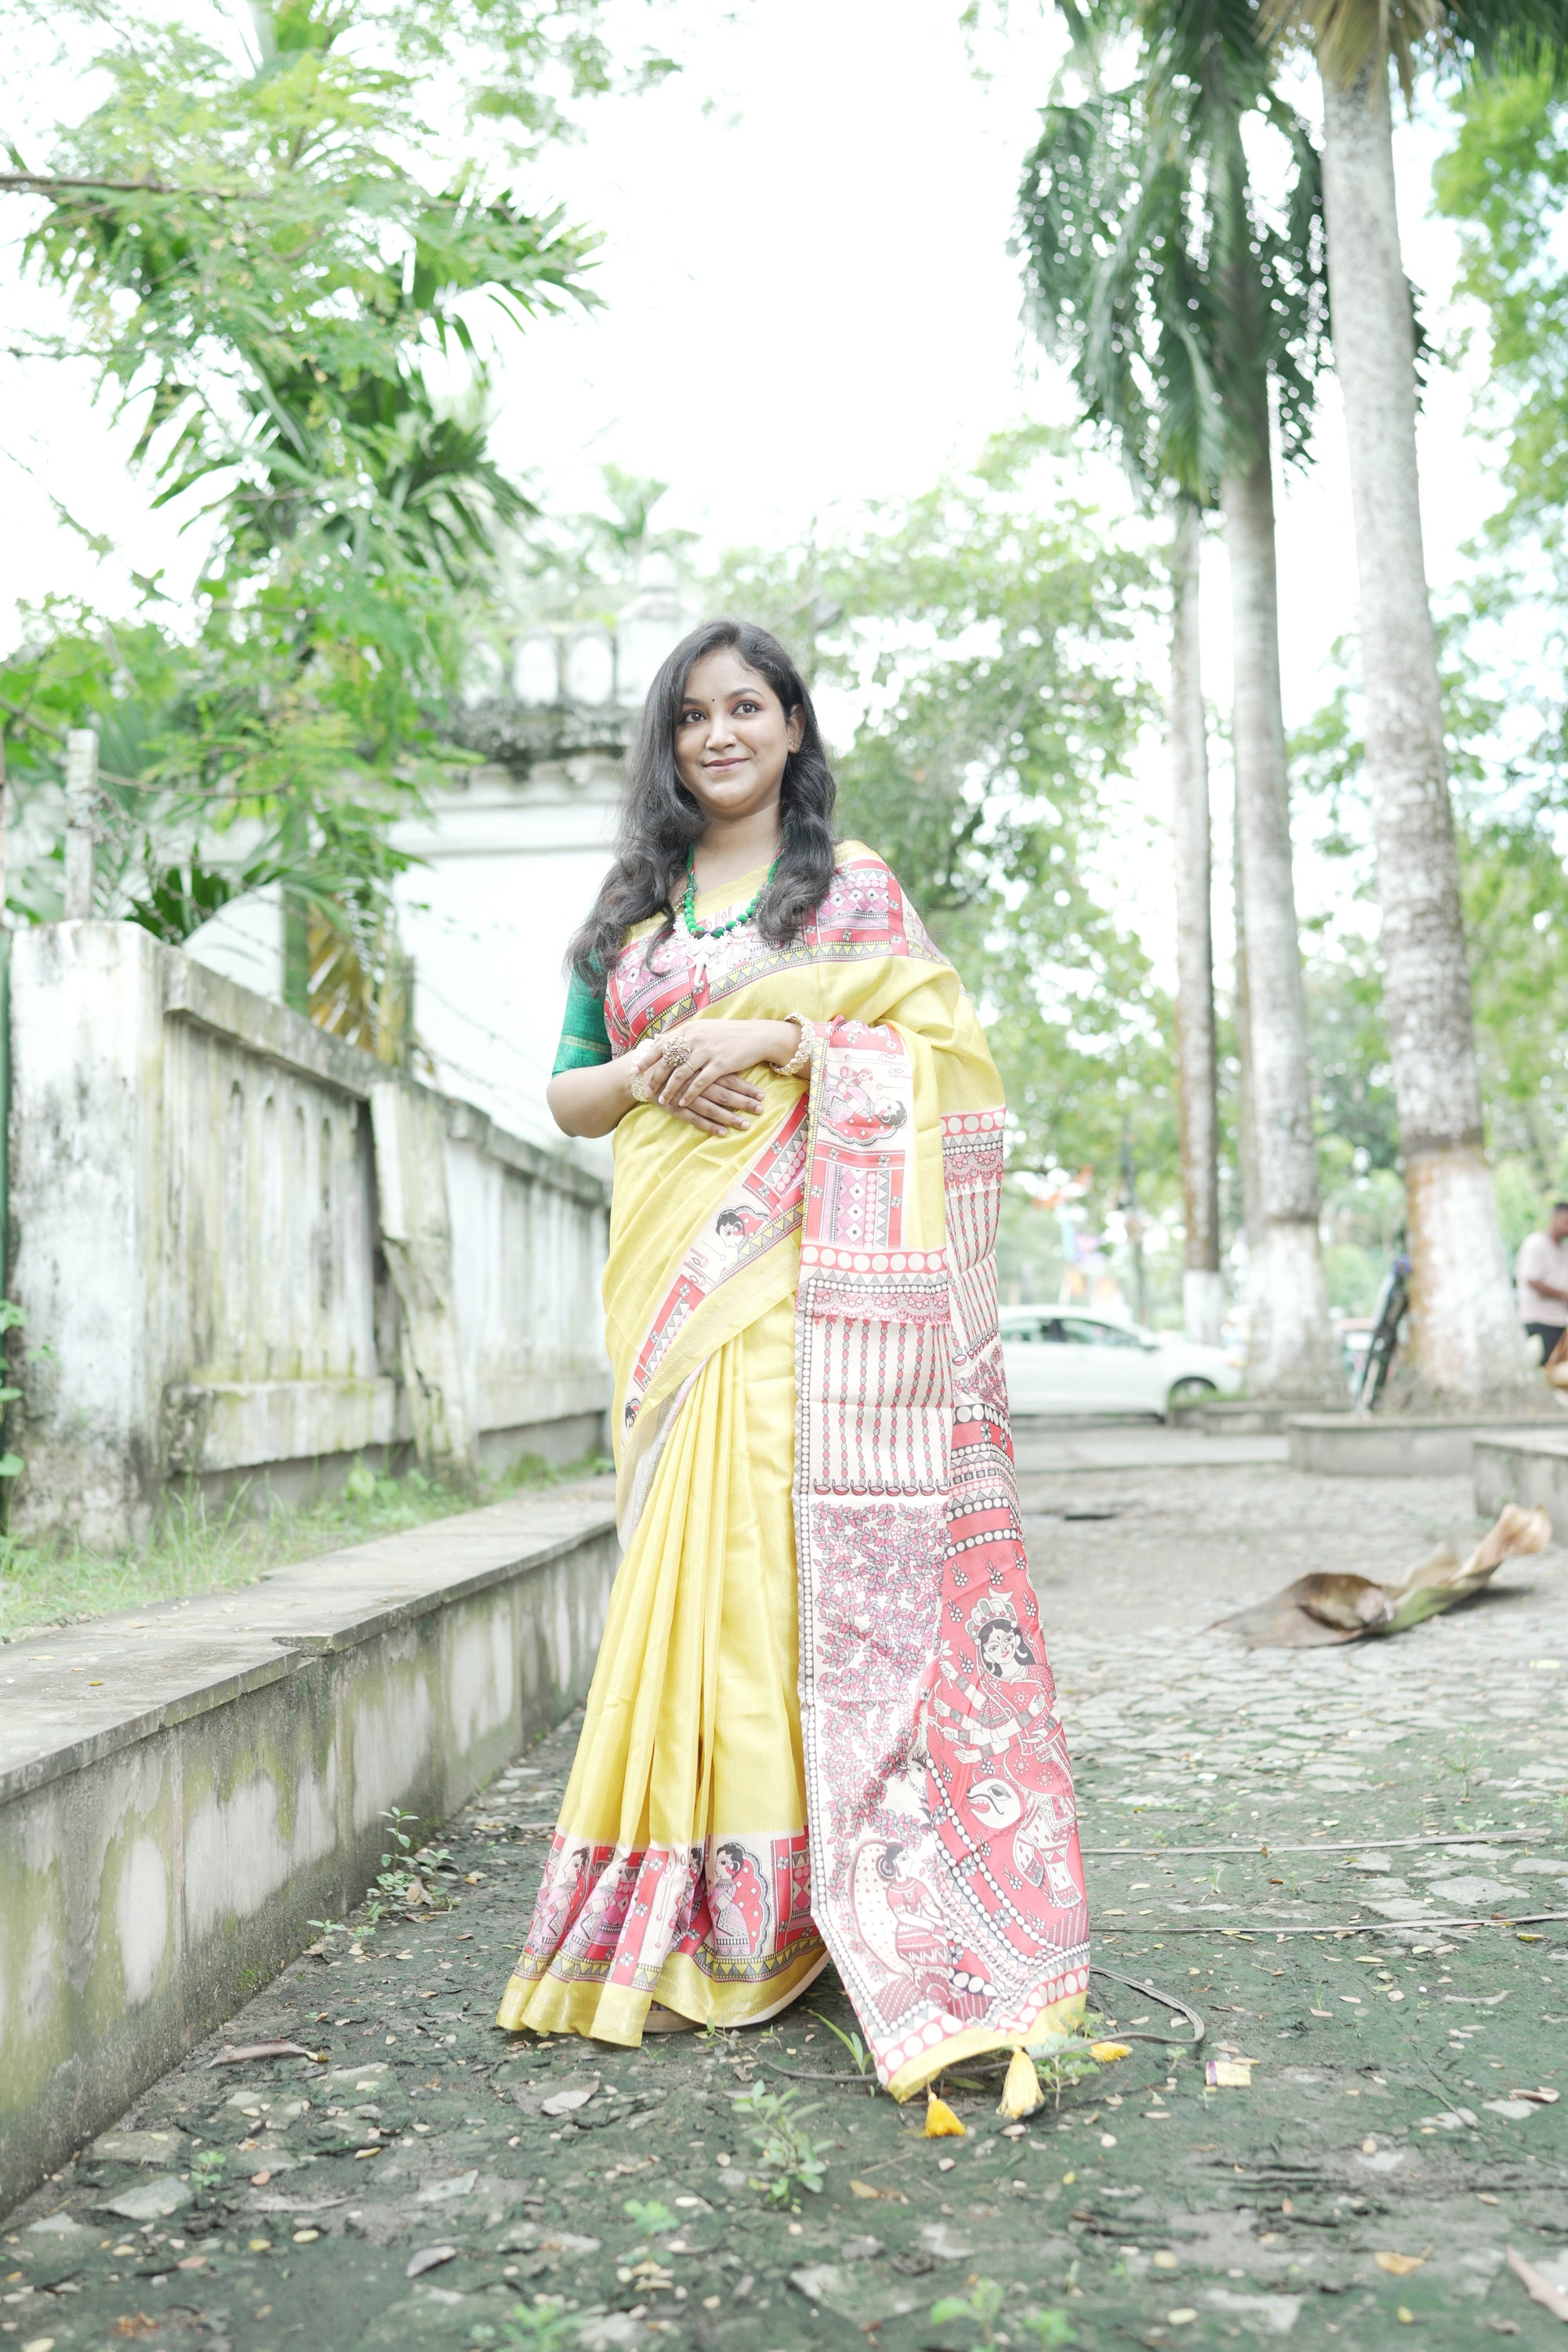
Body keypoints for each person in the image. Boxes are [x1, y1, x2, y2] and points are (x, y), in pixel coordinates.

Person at [495, 619, 1088, 2102]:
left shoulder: (852, 893)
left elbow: (948, 1065)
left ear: (793, 728)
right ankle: (682, 1905)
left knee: (772, 1572)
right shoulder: (627, 919)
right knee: (679, 1576)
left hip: (806, 1289)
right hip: (669, 1290)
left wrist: (779, 1043)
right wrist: (649, 1068)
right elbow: (568, 1092)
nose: (719, 734)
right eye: (692, 714)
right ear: (669, 742)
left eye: (746, 707)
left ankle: (794, 1910)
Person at [1517, 1203, 1568, 1366]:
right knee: (1542, 1367)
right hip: (1538, 1320)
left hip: (1559, 1321)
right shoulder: (1536, 1244)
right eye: (1566, 1222)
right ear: (1553, 1219)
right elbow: (1532, 1280)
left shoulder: (1564, 1249)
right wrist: (1563, 1295)